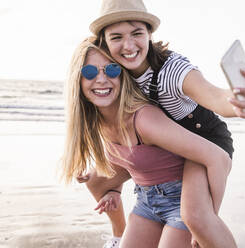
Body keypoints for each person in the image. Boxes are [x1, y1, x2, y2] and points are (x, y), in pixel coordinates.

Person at [81, 0, 245, 247]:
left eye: (137, 33)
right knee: (95, 179)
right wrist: (110, 183)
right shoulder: (112, 71)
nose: (128, 46)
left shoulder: (172, 70)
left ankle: (205, 229)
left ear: (149, 34)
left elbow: (215, 96)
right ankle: (118, 234)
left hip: (203, 141)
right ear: (104, 42)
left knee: (195, 216)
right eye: (116, 37)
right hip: (163, 146)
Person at [61, 38, 232, 248]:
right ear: (77, 79)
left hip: (182, 201)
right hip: (146, 202)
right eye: (89, 72)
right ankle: (117, 238)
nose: (102, 79)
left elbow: (218, 157)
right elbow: (128, 160)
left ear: (122, 75)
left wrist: (206, 221)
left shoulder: (144, 119)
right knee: (92, 178)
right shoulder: (96, 119)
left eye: (112, 70)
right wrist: (114, 191)